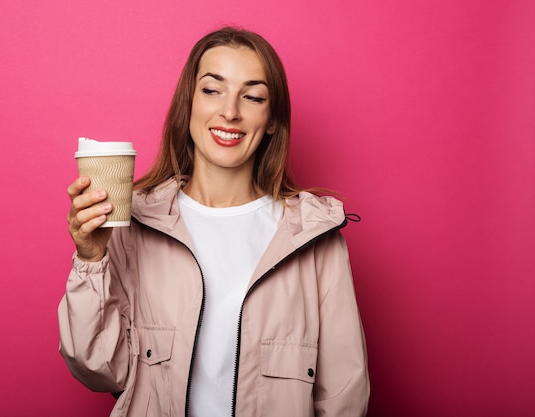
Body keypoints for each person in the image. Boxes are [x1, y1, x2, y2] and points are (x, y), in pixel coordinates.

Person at [59, 27, 369, 417]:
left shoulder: (312, 235)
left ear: (272, 120)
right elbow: (100, 370)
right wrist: (90, 260)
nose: (230, 111)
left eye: (253, 96)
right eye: (211, 89)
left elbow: (345, 396)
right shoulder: (132, 223)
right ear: (188, 103)